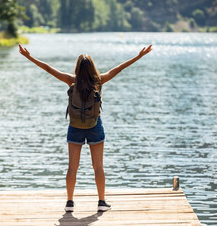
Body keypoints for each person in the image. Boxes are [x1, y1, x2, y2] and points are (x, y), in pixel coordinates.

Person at [19, 43, 152, 212]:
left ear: (77, 68)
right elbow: (118, 69)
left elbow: (48, 69)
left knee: (72, 167)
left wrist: (28, 57)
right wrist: (139, 56)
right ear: (92, 68)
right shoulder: (99, 81)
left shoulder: (70, 80)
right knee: (98, 166)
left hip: (75, 126)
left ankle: (69, 203)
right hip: (95, 125)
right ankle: (101, 202)